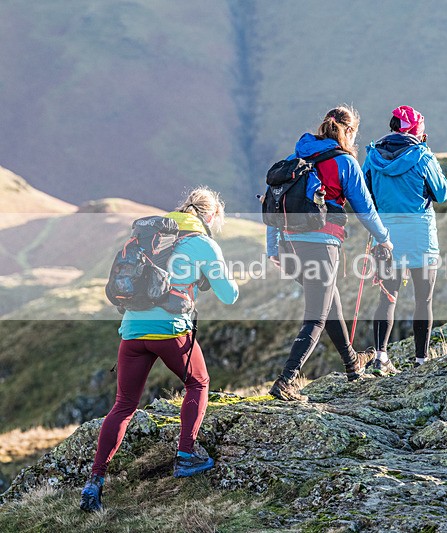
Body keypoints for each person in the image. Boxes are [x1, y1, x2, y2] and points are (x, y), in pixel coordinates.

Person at [80, 187, 239, 512]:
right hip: (170, 331)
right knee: (198, 383)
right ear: (209, 216)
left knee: (123, 405)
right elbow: (229, 295)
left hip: (132, 330)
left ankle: (94, 482)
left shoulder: (149, 238)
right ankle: (186, 455)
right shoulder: (203, 244)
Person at [267, 105, 393, 401]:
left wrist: (272, 248)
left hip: (289, 245)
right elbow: (365, 209)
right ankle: (286, 380)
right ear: (349, 132)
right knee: (317, 315)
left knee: (329, 300)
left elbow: (274, 203)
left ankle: (352, 364)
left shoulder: (295, 157)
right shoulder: (344, 162)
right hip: (321, 246)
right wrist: (385, 239)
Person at [363, 105, 447, 374]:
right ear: (417, 131)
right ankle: (421, 360)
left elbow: (366, 195)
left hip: (385, 236)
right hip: (421, 236)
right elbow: (442, 193)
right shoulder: (423, 157)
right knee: (423, 300)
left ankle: (380, 357)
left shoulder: (372, 157)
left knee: (387, 297)